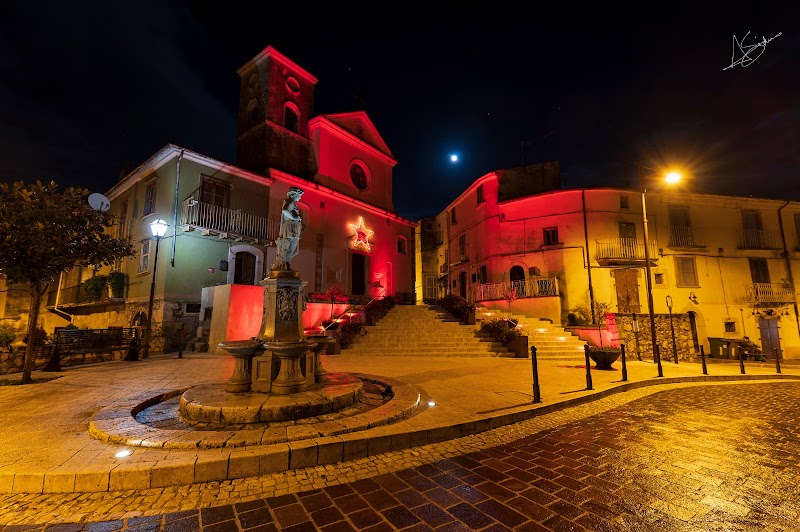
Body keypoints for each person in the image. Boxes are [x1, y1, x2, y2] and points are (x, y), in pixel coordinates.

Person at [271, 187, 304, 271]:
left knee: (294, 250)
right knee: (290, 249)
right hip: (291, 227)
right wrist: (294, 218)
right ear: (294, 195)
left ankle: (284, 263)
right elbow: (284, 210)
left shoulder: (293, 203)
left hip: (295, 228)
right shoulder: (289, 201)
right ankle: (285, 265)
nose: (300, 198)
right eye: (300, 195)